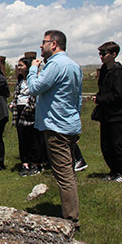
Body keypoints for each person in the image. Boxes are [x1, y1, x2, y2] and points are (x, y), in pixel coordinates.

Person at [27, 30, 82, 228]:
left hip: (56, 126)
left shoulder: (56, 65)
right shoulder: (74, 66)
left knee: (64, 174)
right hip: (70, 124)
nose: (41, 46)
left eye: (44, 42)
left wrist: (33, 70)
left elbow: (34, 88)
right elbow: (77, 98)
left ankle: (70, 219)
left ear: (55, 44)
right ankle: (71, 211)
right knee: (69, 172)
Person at [91, 41, 122, 183]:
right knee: (106, 144)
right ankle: (113, 171)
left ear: (113, 55)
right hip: (106, 113)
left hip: (118, 114)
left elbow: (119, 94)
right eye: (100, 54)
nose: (101, 56)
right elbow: (104, 89)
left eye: (104, 54)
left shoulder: (120, 72)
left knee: (117, 144)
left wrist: (100, 98)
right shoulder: (104, 70)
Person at [10, 57, 42, 177]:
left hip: (30, 110)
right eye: (18, 66)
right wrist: (13, 104)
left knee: (33, 139)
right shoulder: (20, 81)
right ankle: (25, 163)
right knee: (22, 138)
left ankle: (35, 163)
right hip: (19, 110)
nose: (19, 68)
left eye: (21, 65)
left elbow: (35, 94)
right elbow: (17, 95)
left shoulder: (34, 79)